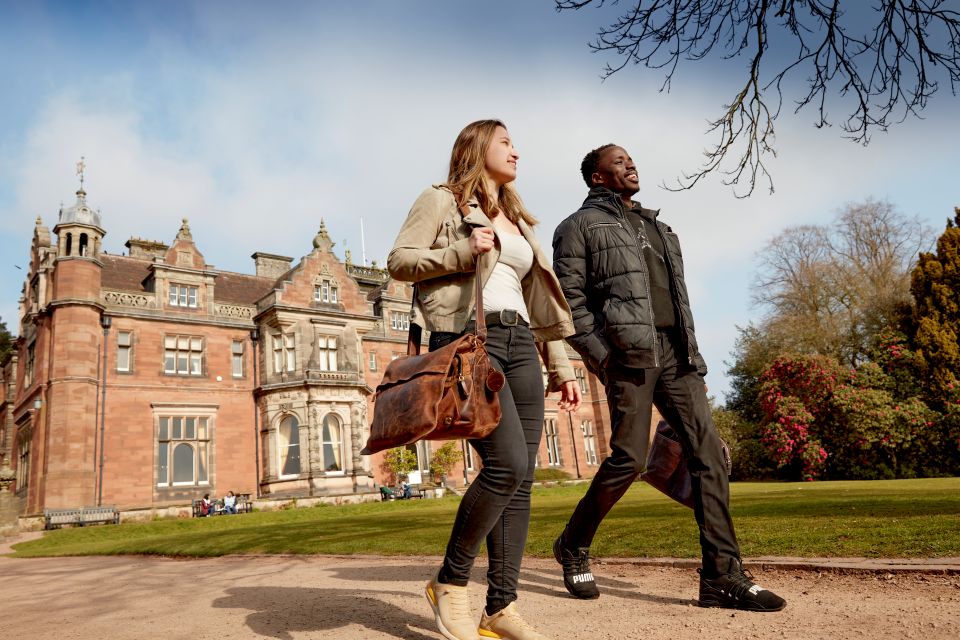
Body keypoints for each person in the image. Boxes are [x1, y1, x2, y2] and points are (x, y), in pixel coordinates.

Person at [550, 143, 786, 613]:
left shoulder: (660, 227)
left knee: (709, 456)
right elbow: (568, 305)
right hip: (628, 358)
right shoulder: (577, 228)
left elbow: (677, 301)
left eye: (631, 159)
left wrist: (693, 357)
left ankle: (722, 576)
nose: (630, 164)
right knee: (629, 458)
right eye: (618, 161)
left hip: (677, 356)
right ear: (597, 177)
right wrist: (604, 358)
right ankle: (573, 543)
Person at [388, 119, 582, 640]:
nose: (517, 151)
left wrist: (560, 367)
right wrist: (461, 251)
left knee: (521, 481)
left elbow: (536, 300)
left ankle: (501, 606)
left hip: (522, 346)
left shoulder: (517, 219)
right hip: (475, 342)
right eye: (506, 142)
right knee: (507, 464)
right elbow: (400, 261)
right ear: (479, 148)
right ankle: (450, 583)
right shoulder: (442, 201)